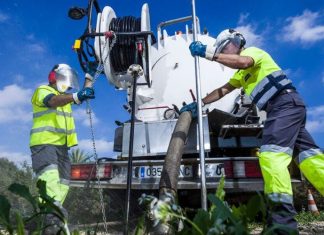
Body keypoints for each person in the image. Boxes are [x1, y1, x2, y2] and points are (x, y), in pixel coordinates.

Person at [182, 29, 324, 234]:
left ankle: (282, 224)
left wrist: (209, 53)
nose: (223, 54)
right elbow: (223, 90)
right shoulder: (240, 76)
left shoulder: (254, 53)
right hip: (286, 107)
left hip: (284, 104)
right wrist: (200, 103)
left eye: (225, 48)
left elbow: (245, 62)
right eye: (220, 51)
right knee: (310, 158)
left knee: (271, 156)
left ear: (236, 42)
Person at [29, 63, 95, 232]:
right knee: (50, 181)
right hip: (45, 143)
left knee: (64, 184)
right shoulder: (43, 91)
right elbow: (52, 102)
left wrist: (89, 78)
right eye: (64, 80)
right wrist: (76, 96)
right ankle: (53, 221)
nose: (67, 85)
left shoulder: (65, 97)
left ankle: (46, 221)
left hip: (62, 148)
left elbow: (81, 96)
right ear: (54, 77)